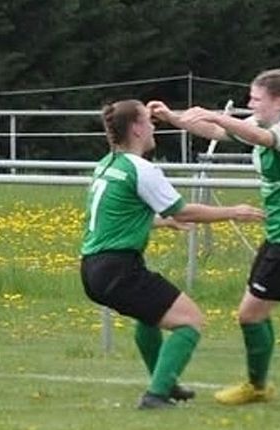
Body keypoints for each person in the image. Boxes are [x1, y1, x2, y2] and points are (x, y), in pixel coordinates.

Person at [148, 68, 280, 405]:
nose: (251, 103)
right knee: (253, 313)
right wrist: (173, 118)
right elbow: (217, 131)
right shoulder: (260, 121)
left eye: (256, 98)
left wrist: (218, 115)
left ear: (279, 101)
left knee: (249, 314)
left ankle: (257, 386)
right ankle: (258, 384)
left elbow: (263, 139)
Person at [81, 99, 265, 410]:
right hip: (117, 268)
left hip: (92, 268)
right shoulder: (142, 169)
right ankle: (156, 395)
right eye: (148, 121)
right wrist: (233, 211)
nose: (154, 127)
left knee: (149, 318)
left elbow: (115, 217)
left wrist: (161, 222)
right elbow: (185, 210)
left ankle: (165, 383)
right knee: (190, 321)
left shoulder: (107, 164)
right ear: (137, 128)